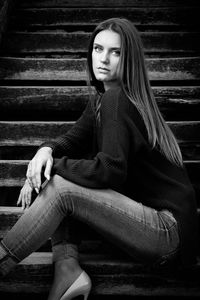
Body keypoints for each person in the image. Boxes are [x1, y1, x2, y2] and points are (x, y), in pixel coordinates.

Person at [0, 18, 198, 300]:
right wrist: (45, 151)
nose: (103, 59)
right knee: (61, 175)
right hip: (155, 230)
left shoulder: (116, 100)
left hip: (166, 231)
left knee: (61, 186)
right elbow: (70, 141)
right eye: (97, 48)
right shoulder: (102, 101)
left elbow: (110, 170)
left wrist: (51, 166)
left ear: (129, 59)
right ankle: (67, 267)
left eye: (115, 52)